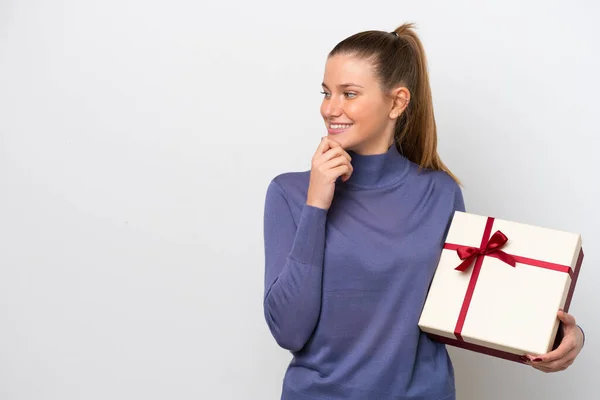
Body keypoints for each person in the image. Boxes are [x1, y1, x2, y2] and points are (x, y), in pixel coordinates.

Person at [262, 23, 585, 400]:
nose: (330, 108)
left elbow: (472, 304)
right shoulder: (289, 192)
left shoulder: (440, 193)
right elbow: (289, 330)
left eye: (349, 93)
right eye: (326, 92)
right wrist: (316, 204)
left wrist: (562, 336)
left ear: (397, 102)